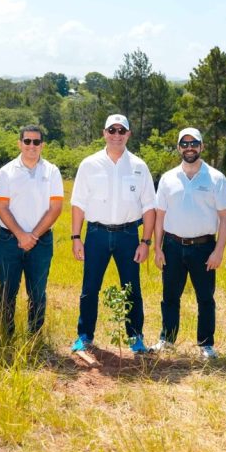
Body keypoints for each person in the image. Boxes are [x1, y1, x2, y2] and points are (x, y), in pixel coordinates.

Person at [69, 114, 157, 354]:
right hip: (96, 234)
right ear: (104, 133)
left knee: (132, 287)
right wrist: (76, 237)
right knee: (90, 288)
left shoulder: (139, 166)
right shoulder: (89, 164)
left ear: (128, 134)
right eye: (112, 130)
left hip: (128, 235)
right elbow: (78, 203)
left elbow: (149, 207)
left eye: (121, 130)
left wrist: (146, 242)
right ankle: (84, 336)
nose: (116, 135)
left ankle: (135, 338)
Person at [152, 127, 226, 359]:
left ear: (201, 146)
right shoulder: (168, 178)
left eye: (193, 143)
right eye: (184, 144)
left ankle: (206, 345)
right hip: (173, 246)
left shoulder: (216, 178)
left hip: (204, 247)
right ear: (179, 148)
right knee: (169, 296)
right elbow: (160, 216)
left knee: (205, 297)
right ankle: (167, 339)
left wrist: (219, 251)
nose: (189, 148)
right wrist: (157, 247)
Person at [0, 126, 64, 338]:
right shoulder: (6, 171)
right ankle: (6, 337)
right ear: (19, 143)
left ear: (42, 145)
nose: (31, 146)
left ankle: (34, 338)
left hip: (41, 242)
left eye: (36, 142)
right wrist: (21, 235)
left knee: (38, 293)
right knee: (7, 291)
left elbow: (56, 208)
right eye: (27, 141)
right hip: (8, 240)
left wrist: (32, 236)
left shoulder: (52, 171)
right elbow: (1, 207)